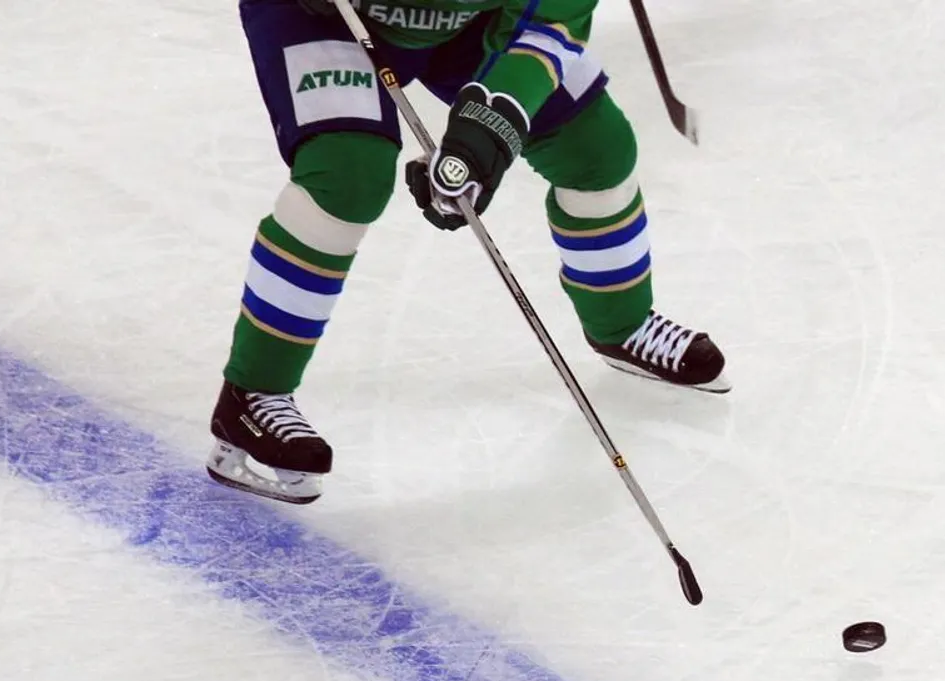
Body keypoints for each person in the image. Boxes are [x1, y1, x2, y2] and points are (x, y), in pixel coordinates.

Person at [207, 0, 729, 504]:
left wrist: (488, 132)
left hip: (472, 22)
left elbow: (547, 26)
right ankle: (253, 395)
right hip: (326, 16)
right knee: (348, 175)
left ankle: (620, 323)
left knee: (596, 150)